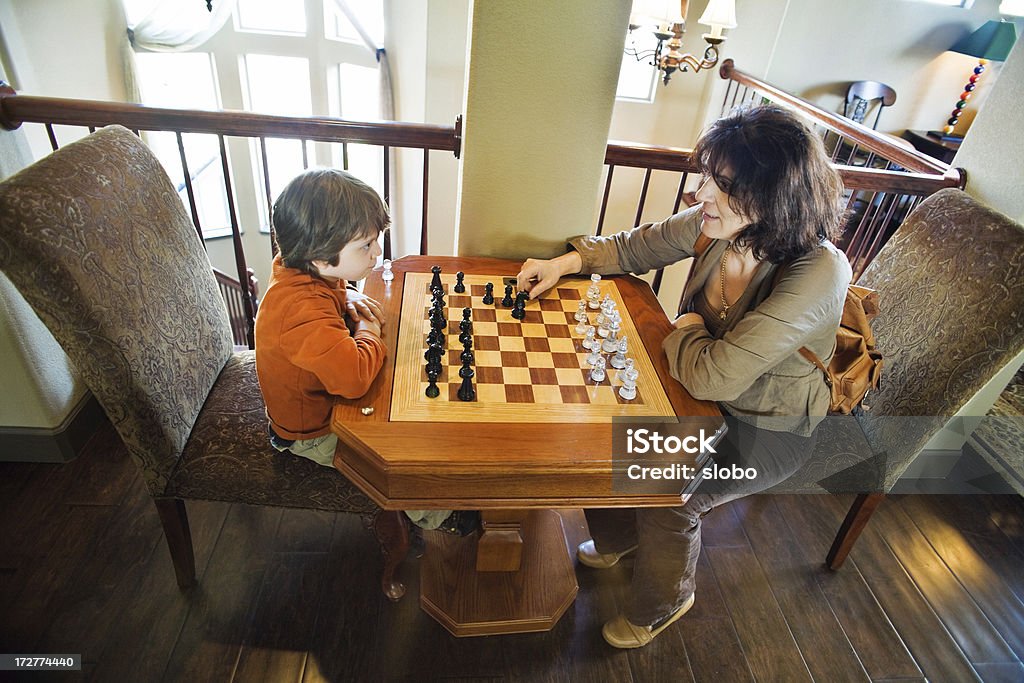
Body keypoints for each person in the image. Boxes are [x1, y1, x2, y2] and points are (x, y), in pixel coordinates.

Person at [516, 104, 852, 648]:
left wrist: (685, 326)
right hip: (695, 392)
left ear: (775, 196)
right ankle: (622, 536)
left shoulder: (819, 269)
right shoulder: (720, 223)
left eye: (723, 184)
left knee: (674, 493)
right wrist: (566, 264)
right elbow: (634, 246)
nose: (701, 195)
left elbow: (715, 379)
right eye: (707, 177)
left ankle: (664, 603)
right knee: (608, 438)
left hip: (766, 426)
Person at [255, 168, 473, 535]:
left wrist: (351, 294)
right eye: (365, 246)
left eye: (376, 240)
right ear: (321, 259)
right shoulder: (300, 311)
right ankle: (442, 515)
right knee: (398, 456)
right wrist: (368, 326)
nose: (377, 253)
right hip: (313, 430)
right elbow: (355, 379)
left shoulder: (303, 269)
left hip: (323, 398)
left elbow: (324, 293)